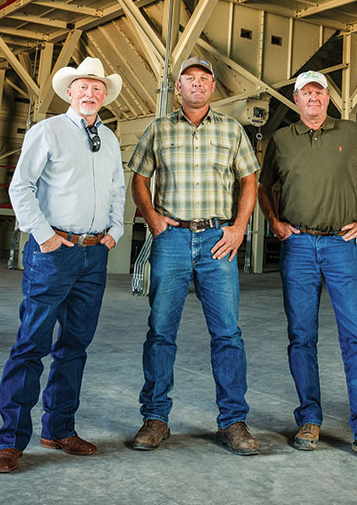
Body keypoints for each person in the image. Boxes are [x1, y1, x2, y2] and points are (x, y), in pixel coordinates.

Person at [0, 57, 126, 473]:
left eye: (97, 88)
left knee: (74, 346)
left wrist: (115, 231)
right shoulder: (47, 130)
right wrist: (44, 235)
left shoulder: (110, 139)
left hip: (93, 253)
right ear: (70, 92)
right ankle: (11, 441)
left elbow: (118, 188)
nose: (90, 94)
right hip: (54, 251)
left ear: (105, 96)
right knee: (32, 344)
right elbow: (21, 186)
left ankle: (59, 429)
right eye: (83, 87)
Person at [257, 70, 357, 465]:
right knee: (301, 336)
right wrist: (274, 221)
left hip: (340, 246)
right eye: (306, 92)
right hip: (297, 245)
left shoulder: (351, 134)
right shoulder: (281, 140)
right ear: (296, 100)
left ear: (328, 98)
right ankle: (309, 419)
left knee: (356, 338)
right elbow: (265, 186)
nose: (313, 98)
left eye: (319, 92)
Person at [128, 57, 260, 456]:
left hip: (217, 239)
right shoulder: (158, 128)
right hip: (172, 238)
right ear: (178, 88)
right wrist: (153, 220)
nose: (197, 85)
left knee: (227, 333)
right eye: (190, 79)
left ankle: (233, 422)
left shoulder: (232, 130)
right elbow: (139, 178)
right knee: (161, 331)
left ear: (213, 88)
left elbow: (249, 180)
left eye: (204, 79)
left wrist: (239, 228)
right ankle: (155, 419)